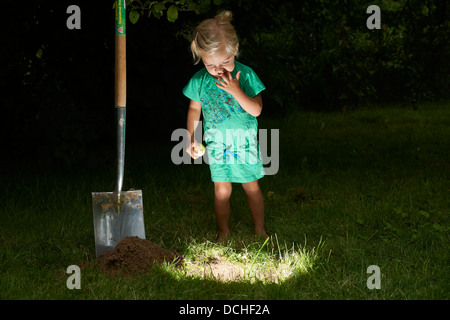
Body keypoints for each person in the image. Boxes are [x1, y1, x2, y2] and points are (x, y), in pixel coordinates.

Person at [183, 10, 268, 242]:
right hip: (217, 146)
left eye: (225, 62)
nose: (219, 69)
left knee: (252, 188)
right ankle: (224, 232)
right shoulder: (200, 81)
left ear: (236, 49)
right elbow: (194, 109)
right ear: (201, 57)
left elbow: (256, 110)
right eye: (211, 65)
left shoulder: (245, 75)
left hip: (245, 145)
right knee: (221, 192)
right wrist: (191, 138)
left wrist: (236, 90)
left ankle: (260, 230)